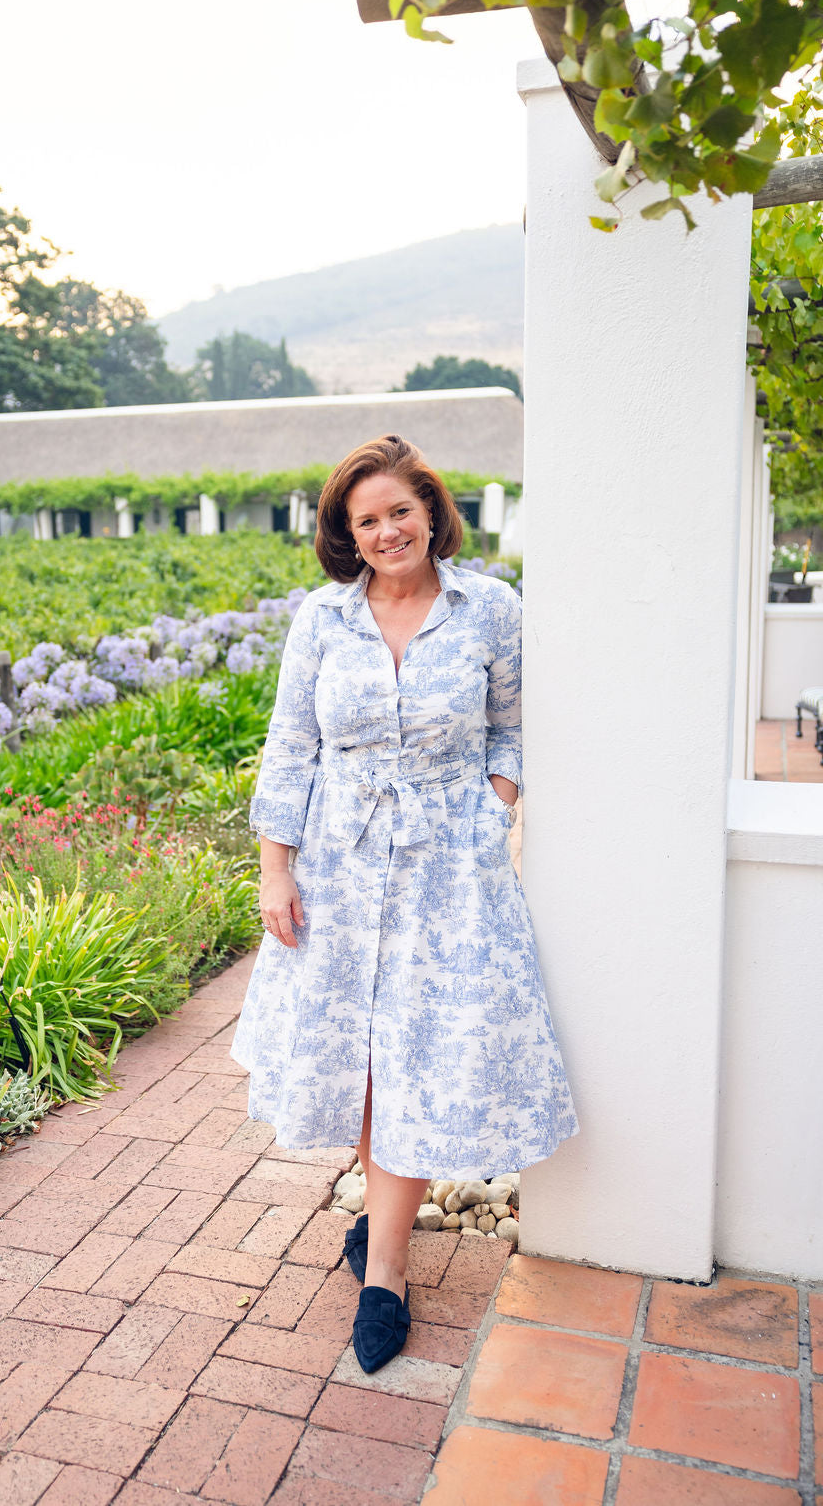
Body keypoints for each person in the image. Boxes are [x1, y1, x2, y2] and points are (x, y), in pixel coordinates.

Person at [230, 434, 579, 1372]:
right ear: (347, 535)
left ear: (432, 510)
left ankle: (384, 1268)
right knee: (362, 1056)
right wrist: (276, 867)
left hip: (447, 875)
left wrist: (489, 807)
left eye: (400, 511)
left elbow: (514, 722)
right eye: (366, 519)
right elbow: (289, 744)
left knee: (420, 1052)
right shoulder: (321, 621)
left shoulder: (489, 608)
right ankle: (381, 1214)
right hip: (339, 867)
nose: (388, 531)